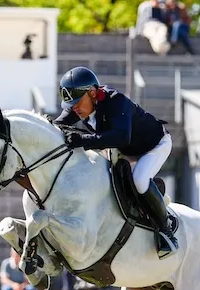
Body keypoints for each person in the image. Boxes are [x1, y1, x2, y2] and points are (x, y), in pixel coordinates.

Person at [54, 66, 177, 258]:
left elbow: (121, 137)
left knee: (139, 180)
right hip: (124, 150)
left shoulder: (115, 102)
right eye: (71, 104)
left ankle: (165, 231)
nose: (74, 108)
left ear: (93, 93)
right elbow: (59, 125)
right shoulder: (77, 106)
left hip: (154, 145)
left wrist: (83, 140)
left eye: (78, 102)